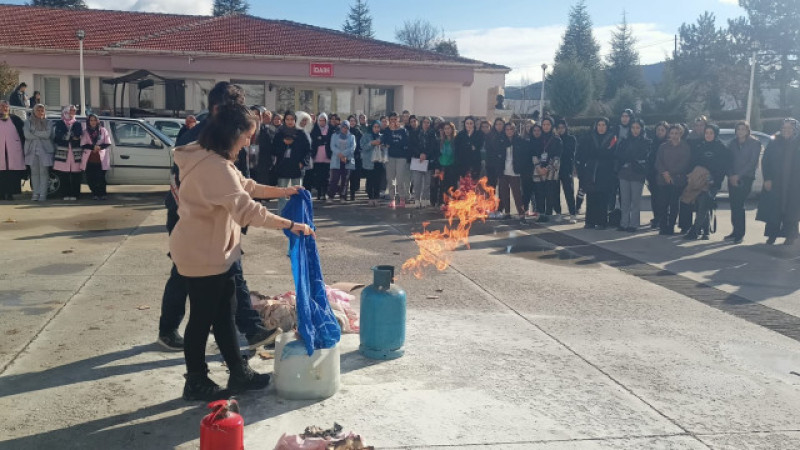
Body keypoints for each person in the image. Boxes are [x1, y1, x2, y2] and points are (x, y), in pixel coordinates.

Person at [170, 103, 314, 401]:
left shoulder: (210, 156)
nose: (249, 141)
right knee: (202, 318)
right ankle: (195, 379)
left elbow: (244, 185)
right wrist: (290, 224)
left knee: (225, 314)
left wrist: (283, 192)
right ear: (233, 134)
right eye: (248, 135)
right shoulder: (215, 167)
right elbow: (248, 211)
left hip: (214, 251)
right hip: (202, 254)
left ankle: (238, 372)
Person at [158, 82, 276, 353]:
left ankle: (235, 329)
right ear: (216, 108)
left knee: (216, 274)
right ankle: (246, 328)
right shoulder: (198, 137)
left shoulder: (228, 132)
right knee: (199, 273)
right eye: (235, 108)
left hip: (219, 217)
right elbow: (183, 183)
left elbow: (240, 180)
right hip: (193, 219)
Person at [683, 124, 731, 240]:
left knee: (704, 204)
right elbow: (693, 162)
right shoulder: (700, 146)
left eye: (711, 133)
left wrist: (714, 180)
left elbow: (723, 167)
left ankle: (695, 230)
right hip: (699, 181)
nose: (708, 135)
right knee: (700, 205)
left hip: (713, 182)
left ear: (715, 134)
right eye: (706, 133)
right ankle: (706, 230)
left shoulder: (721, 148)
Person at [757, 118, 800, 245]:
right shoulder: (774, 141)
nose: (786, 131)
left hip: (794, 183)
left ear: (795, 129)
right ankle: (772, 234)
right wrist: (767, 178)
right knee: (774, 209)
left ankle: (791, 235)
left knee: (792, 209)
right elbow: (766, 161)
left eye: (789, 128)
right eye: (784, 128)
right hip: (776, 181)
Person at [724, 121, 761, 244]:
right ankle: (735, 231)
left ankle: (740, 234)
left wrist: (738, 176)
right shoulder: (732, 143)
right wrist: (731, 175)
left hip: (746, 178)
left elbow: (752, 163)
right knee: (734, 205)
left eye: (743, 129)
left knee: (739, 205)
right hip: (732, 177)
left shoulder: (755, 143)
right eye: (738, 129)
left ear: (747, 130)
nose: (740, 131)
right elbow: (727, 160)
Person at [655, 125, 692, 235]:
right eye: (672, 133)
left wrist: (671, 174)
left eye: (676, 133)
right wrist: (665, 173)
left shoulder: (685, 147)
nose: (674, 135)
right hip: (663, 180)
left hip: (677, 180)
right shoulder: (663, 147)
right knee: (663, 204)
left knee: (673, 204)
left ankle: (671, 226)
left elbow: (684, 164)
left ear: (680, 134)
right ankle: (663, 227)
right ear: (669, 134)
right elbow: (658, 162)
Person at [615, 118, 651, 232]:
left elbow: (643, 156)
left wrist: (632, 158)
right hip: (624, 173)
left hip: (637, 173)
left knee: (635, 200)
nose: (635, 130)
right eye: (633, 128)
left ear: (642, 129)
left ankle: (634, 224)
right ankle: (624, 223)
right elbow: (620, 155)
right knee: (625, 200)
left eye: (638, 128)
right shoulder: (625, 141)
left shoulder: (646, 142)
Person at [582, 118, 617, 229]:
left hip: (605, 171)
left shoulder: (612, 138)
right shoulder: (590, 137)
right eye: (599, 125)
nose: (601, 127)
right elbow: (587, 152)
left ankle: (602, 221)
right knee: (591, 196)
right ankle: (590, 221)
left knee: (603, 196)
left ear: (607, 127)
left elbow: (611, 153)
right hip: (592, 170)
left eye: (603, 125)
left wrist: (601, 154)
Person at [273, 111, 311, 211]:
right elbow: (274, 150)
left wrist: (302, 163)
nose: (290, 122)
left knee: (297, 194)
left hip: (296, 167)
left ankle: (297, 217)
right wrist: (284, 143)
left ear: (295, 120)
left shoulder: (300, 133)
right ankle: (281, 217)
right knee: (282, 194)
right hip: (283, 167)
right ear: (284, 120)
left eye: (292, 120)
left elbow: (308, 150)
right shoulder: (279, 133)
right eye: (287, 119)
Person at [491, 122, 527, 219]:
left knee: (517, 193)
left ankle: (521, 212)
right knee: (504, 193)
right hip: (504, 170)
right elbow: (496, 155)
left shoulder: (520, 140)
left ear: (514, 130)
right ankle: (507, 212)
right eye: (507, 129)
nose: (509, 131)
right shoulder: (500, 140)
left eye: (511, 129)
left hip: (515, 171)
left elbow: (524, 156)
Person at [531, 117, 562, 221]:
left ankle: (549, 213)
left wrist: (547, 168)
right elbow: (534, 154)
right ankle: (541, 213)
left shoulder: (557, 139)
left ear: (552, 126)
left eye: (548, 124)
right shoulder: (538, 138)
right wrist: (539, 167)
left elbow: (557, 156)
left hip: (551, 171)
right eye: (544, 124)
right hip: (538, 170)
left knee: (550, 193)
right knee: (539, 193)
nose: (545, 126)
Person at [23, 104, 54, 202]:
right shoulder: (28, 122)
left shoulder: (48, 122)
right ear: (34, 111)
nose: (40, 112)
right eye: (38, 110)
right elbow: (27, 135)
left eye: (42, 110)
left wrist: (34, 132)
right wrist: (40, 135)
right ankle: (35, 193)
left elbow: (48, 134)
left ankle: (43, 194)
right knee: (34, 173)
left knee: (44, 173)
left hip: (45, 151)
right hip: (31, 150)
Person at [52, 105, 83, 201]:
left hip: (75, 152)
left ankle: (75, 194)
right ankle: (65, 194)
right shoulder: (60, 123)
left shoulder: (77, 123)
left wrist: (67, 136)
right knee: (63, 175)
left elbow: (78, 134)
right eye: (71, 110)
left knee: (75, 175)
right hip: (63, 152)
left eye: (74, 111)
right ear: (66, 111)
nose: (72, 112)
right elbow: (58, 136)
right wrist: (71, 136)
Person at [79, 114, 111, 200]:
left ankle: (103, 194)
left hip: (101, 158)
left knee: (101, 178)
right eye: (91, 120)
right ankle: (95, 193)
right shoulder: (85, 132)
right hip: (89, 158)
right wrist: (93, 147)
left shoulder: (103, 130)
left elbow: (108, 143)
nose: (93, 122)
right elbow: (83, 144)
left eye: (94, 120)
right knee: (91, 178)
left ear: (98, 121)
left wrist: (99, 147)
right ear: (88, 122)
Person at [381, 112, 410, 208]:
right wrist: (391, 131)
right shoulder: (387, 131)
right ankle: (392, 199)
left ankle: (402, 198)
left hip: (401, 157)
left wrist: (394, 145)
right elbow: (385, 143)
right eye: (391, 120)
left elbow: (405, 143)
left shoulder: (403, 131)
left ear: (398, 120)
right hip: (390, 157)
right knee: (390, 179)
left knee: (400, 179)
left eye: (395, 119)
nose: (393, 121)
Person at [0, 100, 25, 200]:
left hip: (13, 151)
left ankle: (10, 193)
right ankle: (1, 194)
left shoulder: (15, 119)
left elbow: (23, 134)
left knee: (12, 173)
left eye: (6, 106)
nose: (4, 108)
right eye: (2, 106)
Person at [647, 121, 669, 229]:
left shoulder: (669, 144)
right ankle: (656, 218)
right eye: (658, 130)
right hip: (653, 176)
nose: (660, 132)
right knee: (655, 198)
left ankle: (664, 219)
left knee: (664, 199)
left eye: (662, 130)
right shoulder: (652, 143)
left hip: (665, 176)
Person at [327, 121, 355, 201]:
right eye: (343, 127)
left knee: (345, 180)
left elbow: (352, 148)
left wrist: (344, 155)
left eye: (346, 128)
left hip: (347, 160)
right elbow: (332, 146)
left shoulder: (352, 137)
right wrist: (339, 154)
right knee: (334, 179)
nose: (344, 129)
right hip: (336, 159)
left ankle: (343, 196)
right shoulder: (334, 135)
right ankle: (331, 196)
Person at [431, 122, 457, 207]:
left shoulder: (455, 141)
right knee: (442, 185)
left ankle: (451, 203)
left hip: (452, 166)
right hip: (442, 166)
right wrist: (437, 167)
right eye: (445, 129)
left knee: (451, 185)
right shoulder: (440, 141)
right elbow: (437, 155)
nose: (447, 130)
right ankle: (442, 202)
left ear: (452, 130)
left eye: (449, 128)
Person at [556, 119, 578, 221]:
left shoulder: (571, 139)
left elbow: (570, 153)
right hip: (555, 169)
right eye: (559, 128)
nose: (561, 130)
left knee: (569, 192)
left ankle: (572, 213)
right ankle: (558, 213)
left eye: (562, 128)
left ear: (566, 128)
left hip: (566, 168)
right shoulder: (554, 139)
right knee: (555, 192)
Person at [360, 120, 386, 206]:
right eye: (375, 127)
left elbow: (386, 148)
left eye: (378, 127)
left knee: (377, 181)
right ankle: (370, 197)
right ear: (372, 127)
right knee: (370, 180)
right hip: (369, 162)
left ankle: (376, 197)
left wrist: (382, 146)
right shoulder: (366, 136)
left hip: (379, 162)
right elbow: (362, 147)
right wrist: (371, 143)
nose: (376, 129)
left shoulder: (382, 137)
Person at [309, 113, 332, 201]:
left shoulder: (329, 129)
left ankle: (324, 192)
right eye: (320, 120)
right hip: (317, 156)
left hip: (327, 156)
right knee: (318, 175)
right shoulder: (314, 129)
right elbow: (313, 141)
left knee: (326, 175)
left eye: (324, 120)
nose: (322, 122)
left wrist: (322, 140)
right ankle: (318, 193)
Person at [454, 116, 484, 181]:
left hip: (475, 163)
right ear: (465, 124)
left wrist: (469, 144)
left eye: (471, 123)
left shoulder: (479, 134)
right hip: (462, 163)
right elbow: (458, 148)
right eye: (467, 123)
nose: (469, 125)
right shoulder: (460, 134)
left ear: (474, 124)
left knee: (473, 185)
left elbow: (478, 146)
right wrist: (470, 146)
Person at [484, 117, 506, 189]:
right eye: (497, 124)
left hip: (503, 165)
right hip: (491, 164)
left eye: (500, 124)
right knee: (491, 186)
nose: (498, 126)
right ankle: (491, 200)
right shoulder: (490, 135)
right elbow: (488, 149)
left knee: (503, 187)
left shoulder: (506, 135)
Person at [347, 115, 363, 201]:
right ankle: (344, 194)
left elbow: (362, 144)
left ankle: (353, 193)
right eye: (350, 120)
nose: (352, 122)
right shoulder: (345, 131)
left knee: (355, 176)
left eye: (353, 121)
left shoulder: (358, 132)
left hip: (356, 157)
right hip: (347, 156)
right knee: (346, 176)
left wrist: (358, 151)